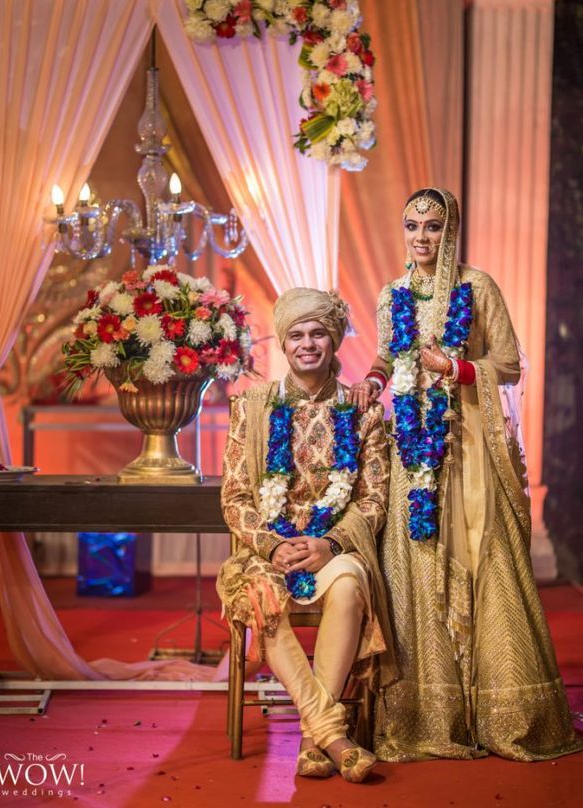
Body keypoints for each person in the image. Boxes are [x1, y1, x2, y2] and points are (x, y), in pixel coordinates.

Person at [350, 187, 581, 761]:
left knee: (485, 560)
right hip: (411, 450)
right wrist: (374, 382)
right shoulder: (392, 294)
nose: (422, 238)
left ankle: (502, 711)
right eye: (412, 226)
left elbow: (507, 364)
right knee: (414, 565)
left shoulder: (477, 288)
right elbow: (386, 353)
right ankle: (429, 712)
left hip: (468, 450)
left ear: (451, 230)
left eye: (433, 227)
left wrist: (452, 366)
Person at [217, 287, 396, 782]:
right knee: (261, 596)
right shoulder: (251, 407)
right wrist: (274, 543)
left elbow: (373, 501)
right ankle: (329, 734)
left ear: (334, 340)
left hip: (334, 542)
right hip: (266, 549)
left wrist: (330, 545)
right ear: (283, 342)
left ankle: (313, 734)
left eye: (318, 333)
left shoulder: (363, 411)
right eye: (297, 335)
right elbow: (234, 498)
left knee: (347, 584)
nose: (308, 343)